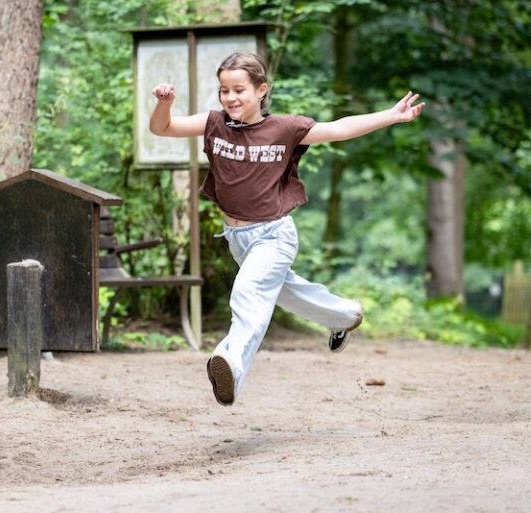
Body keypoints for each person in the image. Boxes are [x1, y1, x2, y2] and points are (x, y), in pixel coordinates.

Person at [149, 52, 425, 406]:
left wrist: (391, 115)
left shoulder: (284, 129)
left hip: (273, 235)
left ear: (261, 90)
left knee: (248, 293)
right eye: (224, 91)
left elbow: (339, 130)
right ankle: (345, 315)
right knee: (285, 292)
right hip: (237, 237)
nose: (231, 98)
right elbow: (163, 128)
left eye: (239, 90)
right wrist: (164, 104)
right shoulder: (213, 123)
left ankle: (230, 364)